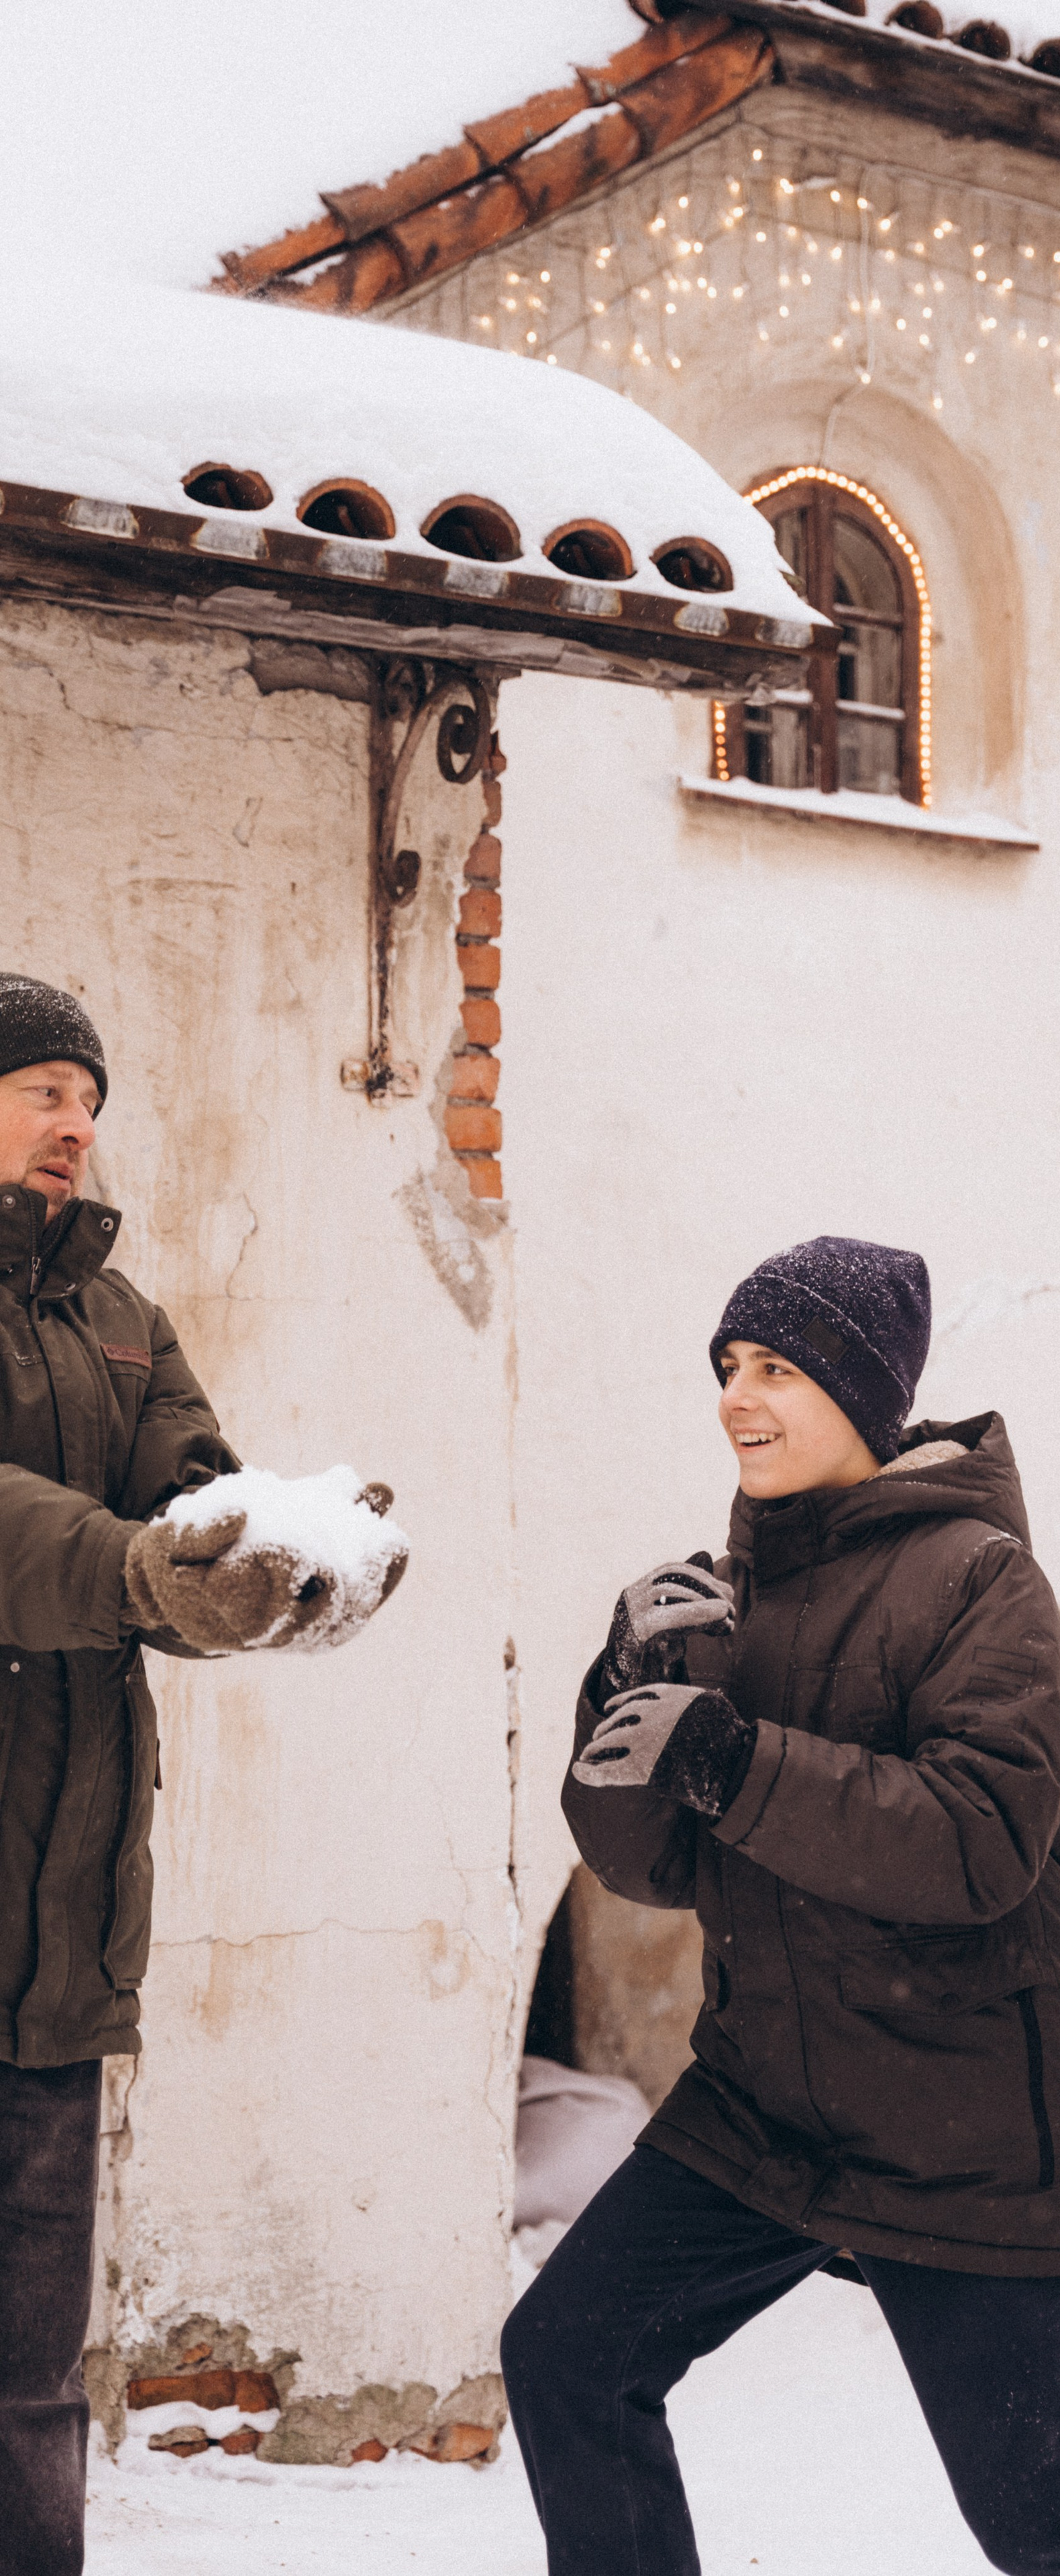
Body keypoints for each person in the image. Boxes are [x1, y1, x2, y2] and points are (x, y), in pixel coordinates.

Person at [503, 1234, 1060, 2575]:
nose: (737, 1396)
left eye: (778, 1369)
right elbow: (656, 1867)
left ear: (861, 1396)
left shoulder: (981, 1583)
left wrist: (726, 1754)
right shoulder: (727, 1594)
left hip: (958, 2123)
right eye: (728, 1367)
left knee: (1051, 2515)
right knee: (568, 2354)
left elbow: (978, 1844)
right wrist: (627, 1690)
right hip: (764, 2108)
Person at [0, 974, 408, 2576]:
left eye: (87, 1097)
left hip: (60, 1940)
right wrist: (144, 1569)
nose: (73, 1121)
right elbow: (64, 1545)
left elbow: (192, 1513)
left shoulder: (123, 1321)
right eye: (38, 1088)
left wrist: (296, 1554)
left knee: (33, 2385)